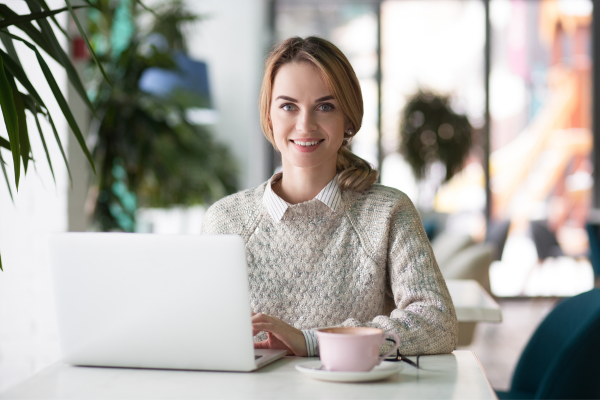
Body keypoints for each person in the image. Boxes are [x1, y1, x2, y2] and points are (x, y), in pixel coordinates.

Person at [201, 36, 458, 357]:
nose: (305, 124)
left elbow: (438, 322)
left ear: (348, 119)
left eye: (325, 106)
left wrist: (314, 341)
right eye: (287, 106)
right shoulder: (225, 220)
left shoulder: (388, 211)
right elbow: (205, 330)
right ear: (269, 117)